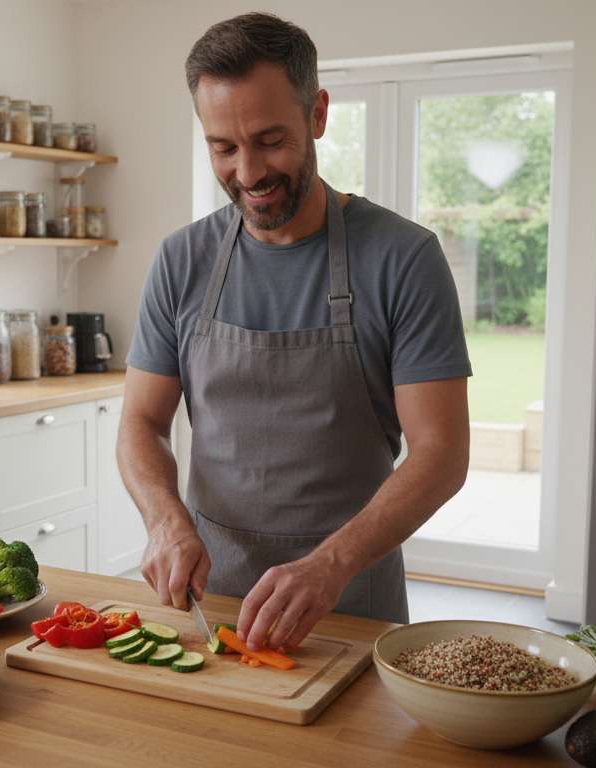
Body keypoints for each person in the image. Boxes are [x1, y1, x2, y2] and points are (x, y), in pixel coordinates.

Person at [118, 12, 471, 653]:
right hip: (210, 600)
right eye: (223, 147)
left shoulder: (404, 258)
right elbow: (140, 423)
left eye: (270, 139)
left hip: (350, 601)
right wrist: (165, 521)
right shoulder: (180, 260)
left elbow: (441, 454)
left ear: (318, 115)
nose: (248, 171)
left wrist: (331, 565)